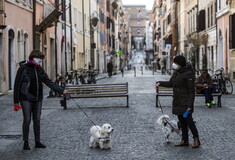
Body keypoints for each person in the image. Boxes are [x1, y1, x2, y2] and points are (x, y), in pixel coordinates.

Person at [14, 50, 68, 150]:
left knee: (37, 120)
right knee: (27, 120)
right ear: (33, 58)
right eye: (39, 60)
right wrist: (16, 101)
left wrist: (61, 90)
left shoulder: (40, 69)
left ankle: (37, 141)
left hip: (38, 98)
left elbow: (48, 82)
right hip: (25, 98)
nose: (40, 62)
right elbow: (17, 85)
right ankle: (25, 142)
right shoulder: (23, 69)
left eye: (41, 60)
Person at [156, 55, 200, 148]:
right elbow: (170, 83)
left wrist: (189, 105)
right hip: (178, 101)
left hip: (185, 102)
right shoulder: (176, 73)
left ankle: (196, 139)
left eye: (175, 63)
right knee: (182, 121)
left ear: (179, 64)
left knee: (189, 121)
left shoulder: (188, 74)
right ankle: (185, 140)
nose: (174, 64)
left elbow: (191, 91)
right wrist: (160, 83)